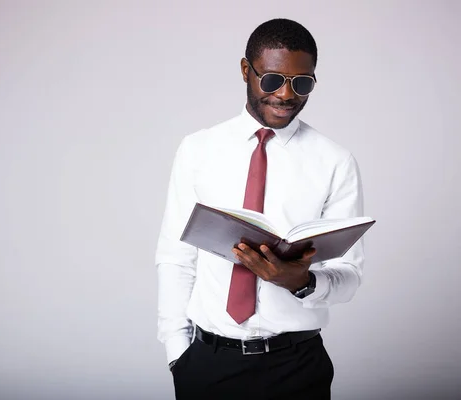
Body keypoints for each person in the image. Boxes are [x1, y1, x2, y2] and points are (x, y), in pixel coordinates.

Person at [155, 18, 366, 399]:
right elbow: (176, 257)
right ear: (245, 71)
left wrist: (302, 283)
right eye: (272, 79)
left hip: (297, 365)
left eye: (302, 83)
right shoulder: (198, 150)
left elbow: (349, 275)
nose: (286, 95)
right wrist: (177, 353)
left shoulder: (334, 161)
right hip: (209, 363)